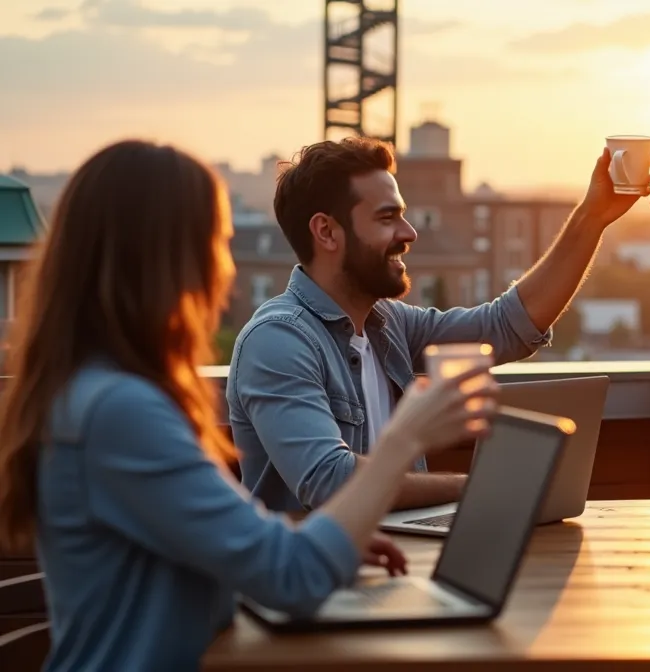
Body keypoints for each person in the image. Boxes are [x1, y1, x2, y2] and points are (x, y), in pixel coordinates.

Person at [0, 140, 500, 671]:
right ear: (167, 258)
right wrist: (405, 441)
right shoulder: (121, 412)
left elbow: (203, 542)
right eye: (217, 244)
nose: (226, 271)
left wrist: (305, 534)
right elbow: (293, 579)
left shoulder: (96, 392)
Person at [228, 138, 650, 513]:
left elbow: (508, 326)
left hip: (396, 562)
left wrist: (593, 217)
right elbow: (328, 481)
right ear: (326, 232)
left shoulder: (387, 325)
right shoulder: (278, 340)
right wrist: (468, 489)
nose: (409, 232)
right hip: (317, 586)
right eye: (386, 218)